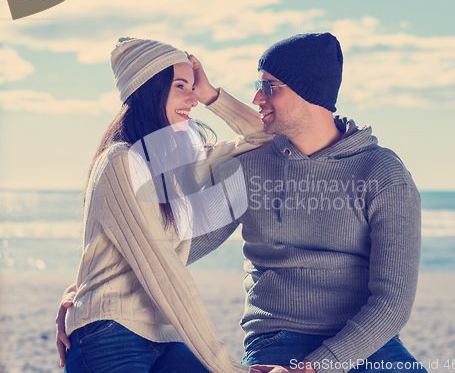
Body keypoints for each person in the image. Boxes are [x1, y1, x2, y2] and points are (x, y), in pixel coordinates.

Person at [186, 33, 427, 373]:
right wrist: (97, 278)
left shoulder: (382, 173)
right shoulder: (249, 166)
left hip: (364, 341)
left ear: (309, 92)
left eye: (271, 87)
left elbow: (392, 303)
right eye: (259, 85)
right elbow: (183, 246)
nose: (257, 97)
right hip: (277, 338)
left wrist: (315, 368)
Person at [56, 36, 273, 373]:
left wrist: (211, 94)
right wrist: (225, 365)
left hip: (164, 336)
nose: (193, 99)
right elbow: (164, 272)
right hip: (110, 333)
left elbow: (267, 136)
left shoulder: (177, 167)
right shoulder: (120, 162)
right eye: (181, 86)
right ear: (148, 90)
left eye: (192, 87)